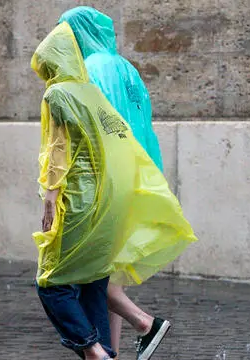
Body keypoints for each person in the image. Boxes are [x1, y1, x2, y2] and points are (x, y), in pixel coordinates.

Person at [31, 19, 197, 360]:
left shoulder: (69, 86)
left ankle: (105, 346)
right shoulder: (120, 71)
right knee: (97, 277)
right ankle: (111, 349)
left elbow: (57, 148)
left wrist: (50, 195)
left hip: (82, 193)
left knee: (52, 282)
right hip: (119, 184)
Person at [59, 7, 171, 359]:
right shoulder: (126, 67)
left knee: (76, 270)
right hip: (137, 173)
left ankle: (144, 323)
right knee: (109, 273)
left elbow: (96, 127)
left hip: (106, 179)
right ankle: (111, 353)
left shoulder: (91, 69)